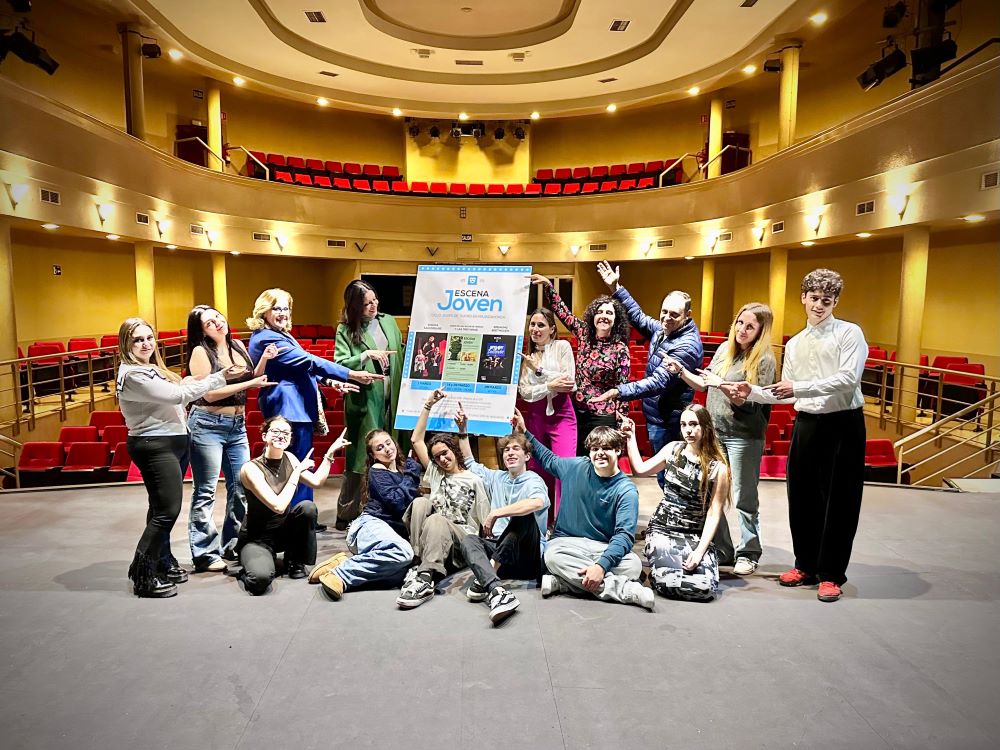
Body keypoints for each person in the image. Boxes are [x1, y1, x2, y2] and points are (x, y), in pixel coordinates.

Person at [730, 269, 867, 603]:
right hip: (807, 422)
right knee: (802, 496)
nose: (819, 305)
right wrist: (753, 392)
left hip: (843, 423)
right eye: (814, 298)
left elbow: (848, 380)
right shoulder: (795, 343)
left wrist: (800, 387)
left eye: (826, 300)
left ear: (835, 302)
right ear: (803, 298)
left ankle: (831, 574)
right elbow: (785, 392)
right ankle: (805, 564)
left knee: (840, 501)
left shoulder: (850, 333)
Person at [116, 317, 266, 598]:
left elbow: (179, 394)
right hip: (155, 444)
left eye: (149, 337)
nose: (146, 344)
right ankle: (143, 575)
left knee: (159, 508)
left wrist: (188, 384)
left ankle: (162, 560)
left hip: (172, 440)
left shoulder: (150, 369)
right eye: (138, 340)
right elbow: (178, 396)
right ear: (126, 343)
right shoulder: (134, 375)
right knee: (166, 512)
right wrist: (219, 377)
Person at [663, 302, 776, 575]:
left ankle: (749, 552)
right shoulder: (726, 349)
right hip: (716, 432)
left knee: (743, 497)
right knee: (712, 492)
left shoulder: (764, 359)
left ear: (761, 331)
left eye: (750, 326)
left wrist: (721, 384)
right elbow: (705, 383)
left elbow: (749, 403)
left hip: (743, 436)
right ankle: (723, 549)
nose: (742, 330)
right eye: (740, 323)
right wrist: (681, 371)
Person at [246, 288, 377, 509]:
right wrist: (350, 373)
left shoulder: (279, 334)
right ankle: (297, 515)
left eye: (286, 308)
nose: (282, 313)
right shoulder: (267, 337)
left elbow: (301, 368)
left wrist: (332, 382)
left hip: (295, 407)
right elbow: (308, 361)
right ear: (264, 311)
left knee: (302, 462)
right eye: (276, 308)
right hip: (288, 408)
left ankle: (304, 513)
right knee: (295, 465)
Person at [512, 410, 653, 610]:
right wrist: (524, 432)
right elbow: (548, 458)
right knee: (551, 556)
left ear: (618, 450)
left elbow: (624, 536)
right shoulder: (576, 467)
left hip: (602, 547)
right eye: (595, 448)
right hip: (567, 543)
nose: (600, 453)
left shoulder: (626, 490)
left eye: (606, 448)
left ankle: (564, 583)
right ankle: (625, 591)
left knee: (633, 565)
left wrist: (601, 565)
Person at [185, 305, 278, 573]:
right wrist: (250, 385)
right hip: (207, 424)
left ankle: (232, 544)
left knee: (241, 487)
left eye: (217, 317)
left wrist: (264, 360)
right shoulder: (201, 352)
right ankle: (204, 553)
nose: (217, 322)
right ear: (202, 331)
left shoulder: (236, 345)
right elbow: (209, 394)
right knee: (206, 490)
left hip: (237, 425)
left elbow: (252, 376)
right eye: (209, 323)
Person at [593, 260, 703, 486]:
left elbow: (657, 382)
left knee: (673, 478)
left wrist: (618, 391)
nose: (666, 318)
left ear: (688, 315)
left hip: (670, 421)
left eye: (674, 314)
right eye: (664, 312)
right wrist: (616, 288)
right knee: (665, 475)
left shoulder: (687, 346)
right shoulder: (665, 330)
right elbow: (639, 317)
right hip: (658, 416)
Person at [454, 402, 550, 625]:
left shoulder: (533, 480)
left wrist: (496, 512)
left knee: (523, 516)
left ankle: (488, 573)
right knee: (469, 540)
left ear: (527, 456)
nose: (510, 453)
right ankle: (495, 589)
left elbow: (537, 502)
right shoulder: (497, 478)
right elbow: (469, 462)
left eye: (516, 449)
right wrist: (463, 430)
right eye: (506, 450)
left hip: (527, 557)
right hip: (500, 551)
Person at [623, 406, 730, 602]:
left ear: (706, 426)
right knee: (668, 583)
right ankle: (658, 570)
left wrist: (700, 551)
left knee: (704, 588)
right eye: (683, 425)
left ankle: (664, 570)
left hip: (694, 534)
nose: (688, 430)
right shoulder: (673, 449)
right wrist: (631, 437)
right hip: (663, 529)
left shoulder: (718, 468)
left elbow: (714, 514)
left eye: (694, 424)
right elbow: (640, 470)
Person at [396, 388, 490, 610]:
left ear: (454, 451)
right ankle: (418, 563)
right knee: (421, 502)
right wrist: (428, 404)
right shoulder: (436, 473)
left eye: (445, 453)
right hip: (434, 537)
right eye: (437, 457)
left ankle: (425, 579)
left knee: (436, 519)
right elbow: (416, 439)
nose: (442, 459)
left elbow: (485, 521)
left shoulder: (474, 480)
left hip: (461, 540)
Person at [237, 416, 350, 595]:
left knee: (307, 508)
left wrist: (330, 453)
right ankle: (253, 564)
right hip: (257, 538)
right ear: (264, 436)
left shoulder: (289, 458)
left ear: (290, 438)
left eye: (286, 433)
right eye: (275, 431)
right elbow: (278, 506)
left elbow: (317, 481)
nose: (281, 435)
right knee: (260, 581)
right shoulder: (250, 469)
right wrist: (296, 472)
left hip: (283, 532)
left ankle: (295, 561)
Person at [334, 280, 409, 531]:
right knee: (360, 458)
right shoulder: (345, 329)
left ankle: (387, 508)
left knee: (392, 450)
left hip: (392, 395)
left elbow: (400, 352)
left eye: (375, 300)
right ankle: (347, 512)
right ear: (355, 306)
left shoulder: (388, 322)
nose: (373, 306)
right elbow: (340, 363)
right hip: (365, 398)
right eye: (366, 304)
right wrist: (366, 355)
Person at [311, 429, 421, 600]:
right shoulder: (378, 470)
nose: (387, 449)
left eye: (388, 443)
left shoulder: (401, 471)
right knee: (403, 552)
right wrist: (411, 474)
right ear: (373, 455)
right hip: (369, 526)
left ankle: (342, 562)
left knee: (402, 572)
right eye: (379, 448)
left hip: (386, 538)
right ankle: (340, 574)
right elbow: (397, 502)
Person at [529, 274, 631, 455]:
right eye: (600, 312)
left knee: (599, 462)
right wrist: (548, 286)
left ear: (616, 319)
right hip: (577, 412)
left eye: (609, 313)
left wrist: (621, 418)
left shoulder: (620, 348)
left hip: (603, 416)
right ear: (593, 316)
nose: (604, 316)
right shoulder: (584, 333)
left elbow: (623, 387)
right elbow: (563, 313)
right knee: (578, 461)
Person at [516, 305, 576, 522]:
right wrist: (550, 385)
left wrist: (539, 371)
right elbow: (525, 392)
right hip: (535, 416)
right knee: (537, 469)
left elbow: (569, 383)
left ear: (552, 329)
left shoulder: (562, 347)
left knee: (564, 469)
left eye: (541, 325)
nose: (535, 329)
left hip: (562, 414)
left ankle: (563, 523)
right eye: (532, 324)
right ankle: (542, 523)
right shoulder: (527, 357)